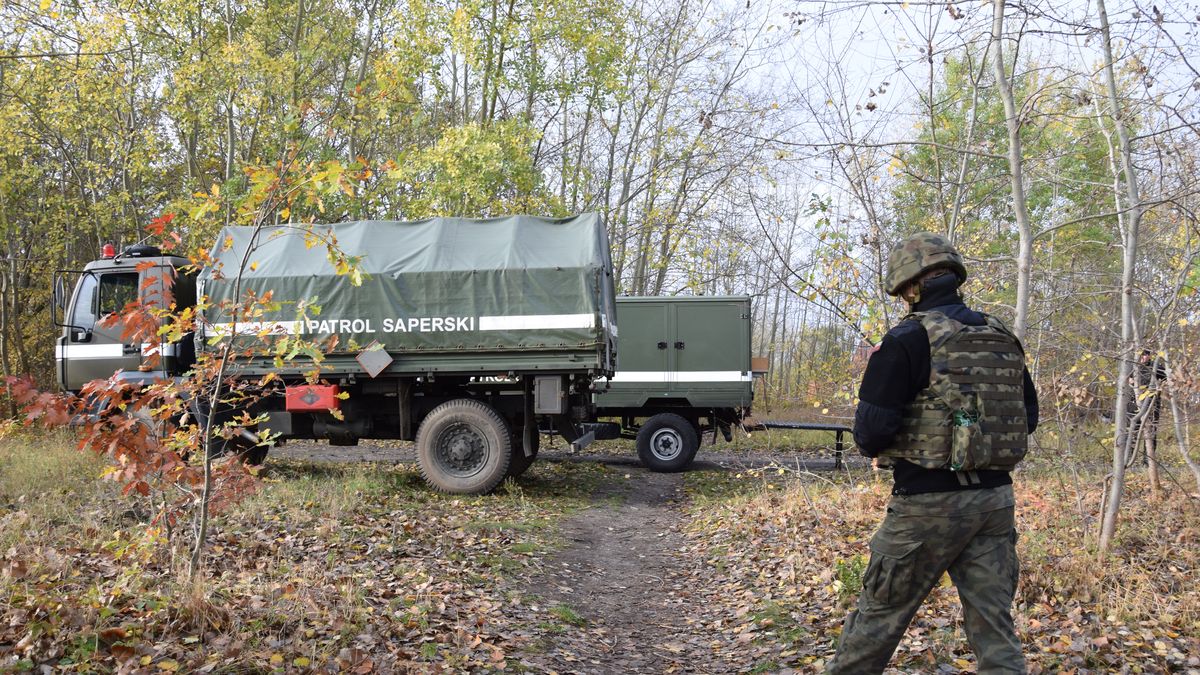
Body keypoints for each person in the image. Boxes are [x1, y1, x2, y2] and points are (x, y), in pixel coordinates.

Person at [827, 232, 1038, 674]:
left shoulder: (907, 338)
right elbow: (1027, 417)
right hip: (995, 504)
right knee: (994, 628)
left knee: (878, 620)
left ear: (909, 286)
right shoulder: (1001, 336)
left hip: (926, 507)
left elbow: (871, 431)